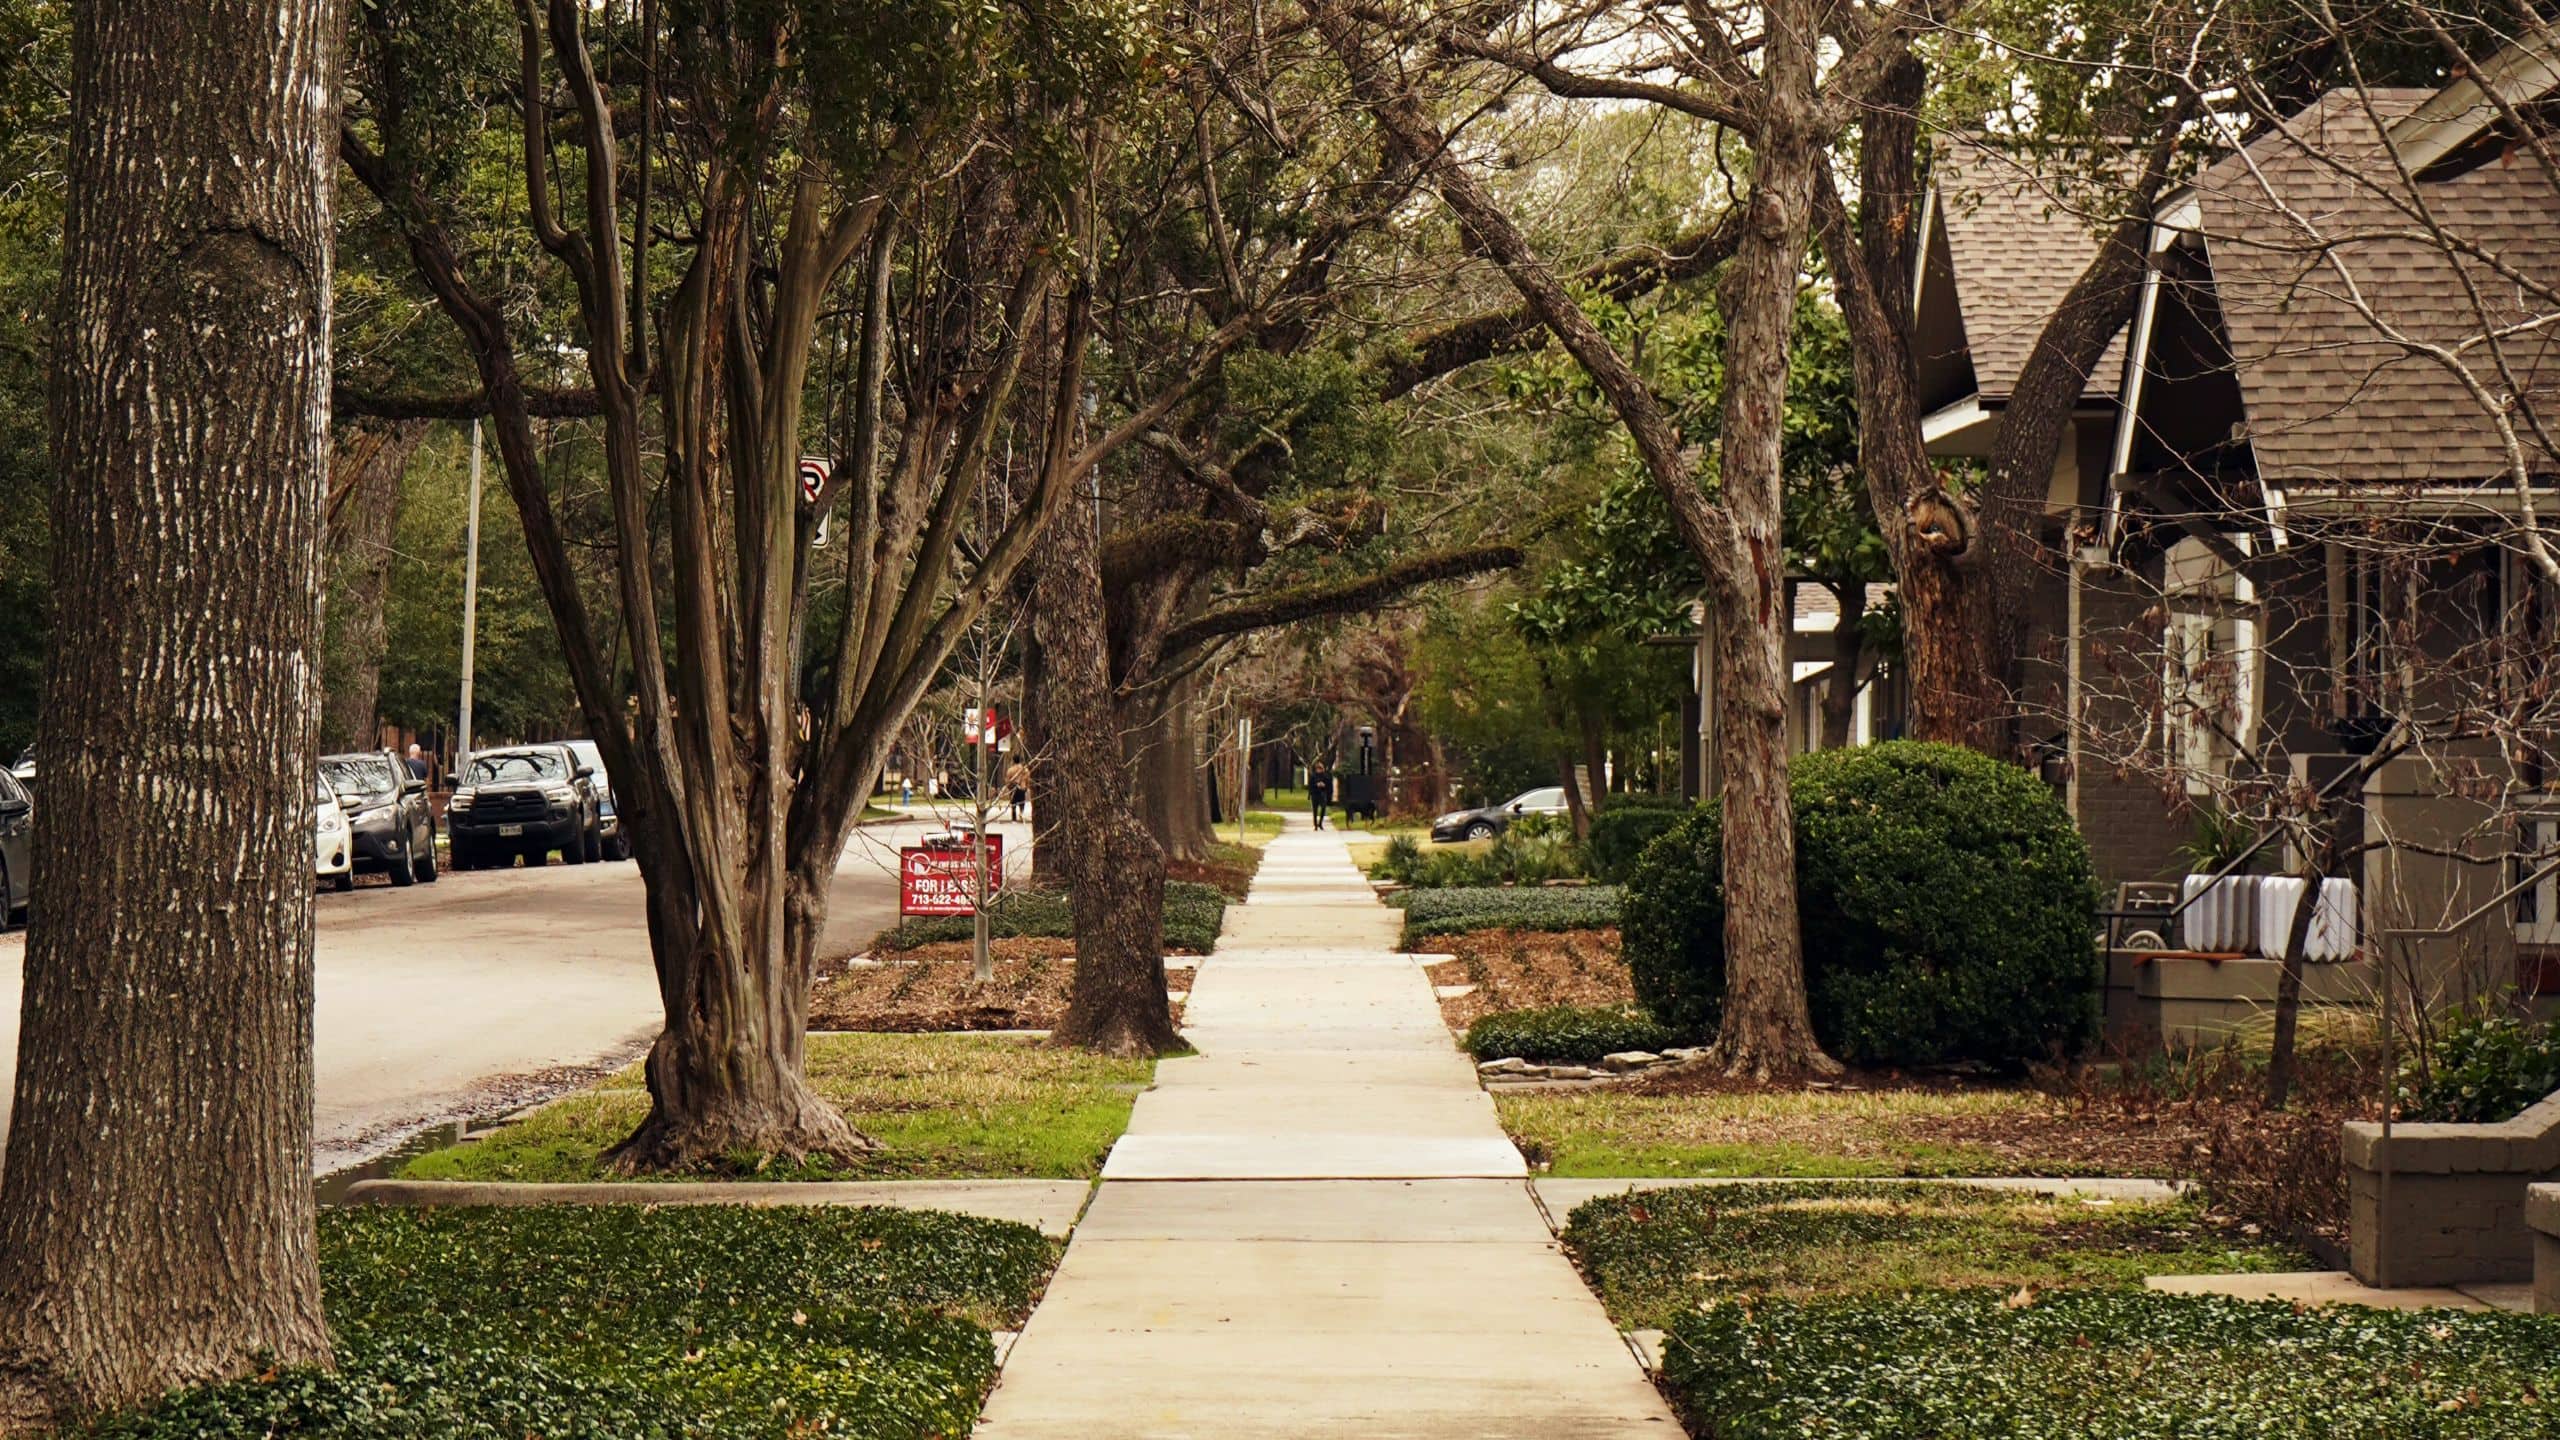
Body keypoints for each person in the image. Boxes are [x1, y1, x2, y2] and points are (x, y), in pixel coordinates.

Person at [1308, 762, 1333, 831]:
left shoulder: (1325, 777)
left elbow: (1329, 786)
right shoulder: (1313, 776)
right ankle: (1315, 825)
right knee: (1315, 810)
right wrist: (1316, 785)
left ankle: (1320, 823)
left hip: (1322, 794)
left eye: (1321, 769)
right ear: (1316, 769)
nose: (1319, 770)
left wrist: (1324, 785)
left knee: (1323, 808)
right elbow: (1310, 786)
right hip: (1315, 794)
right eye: (1318, 769)